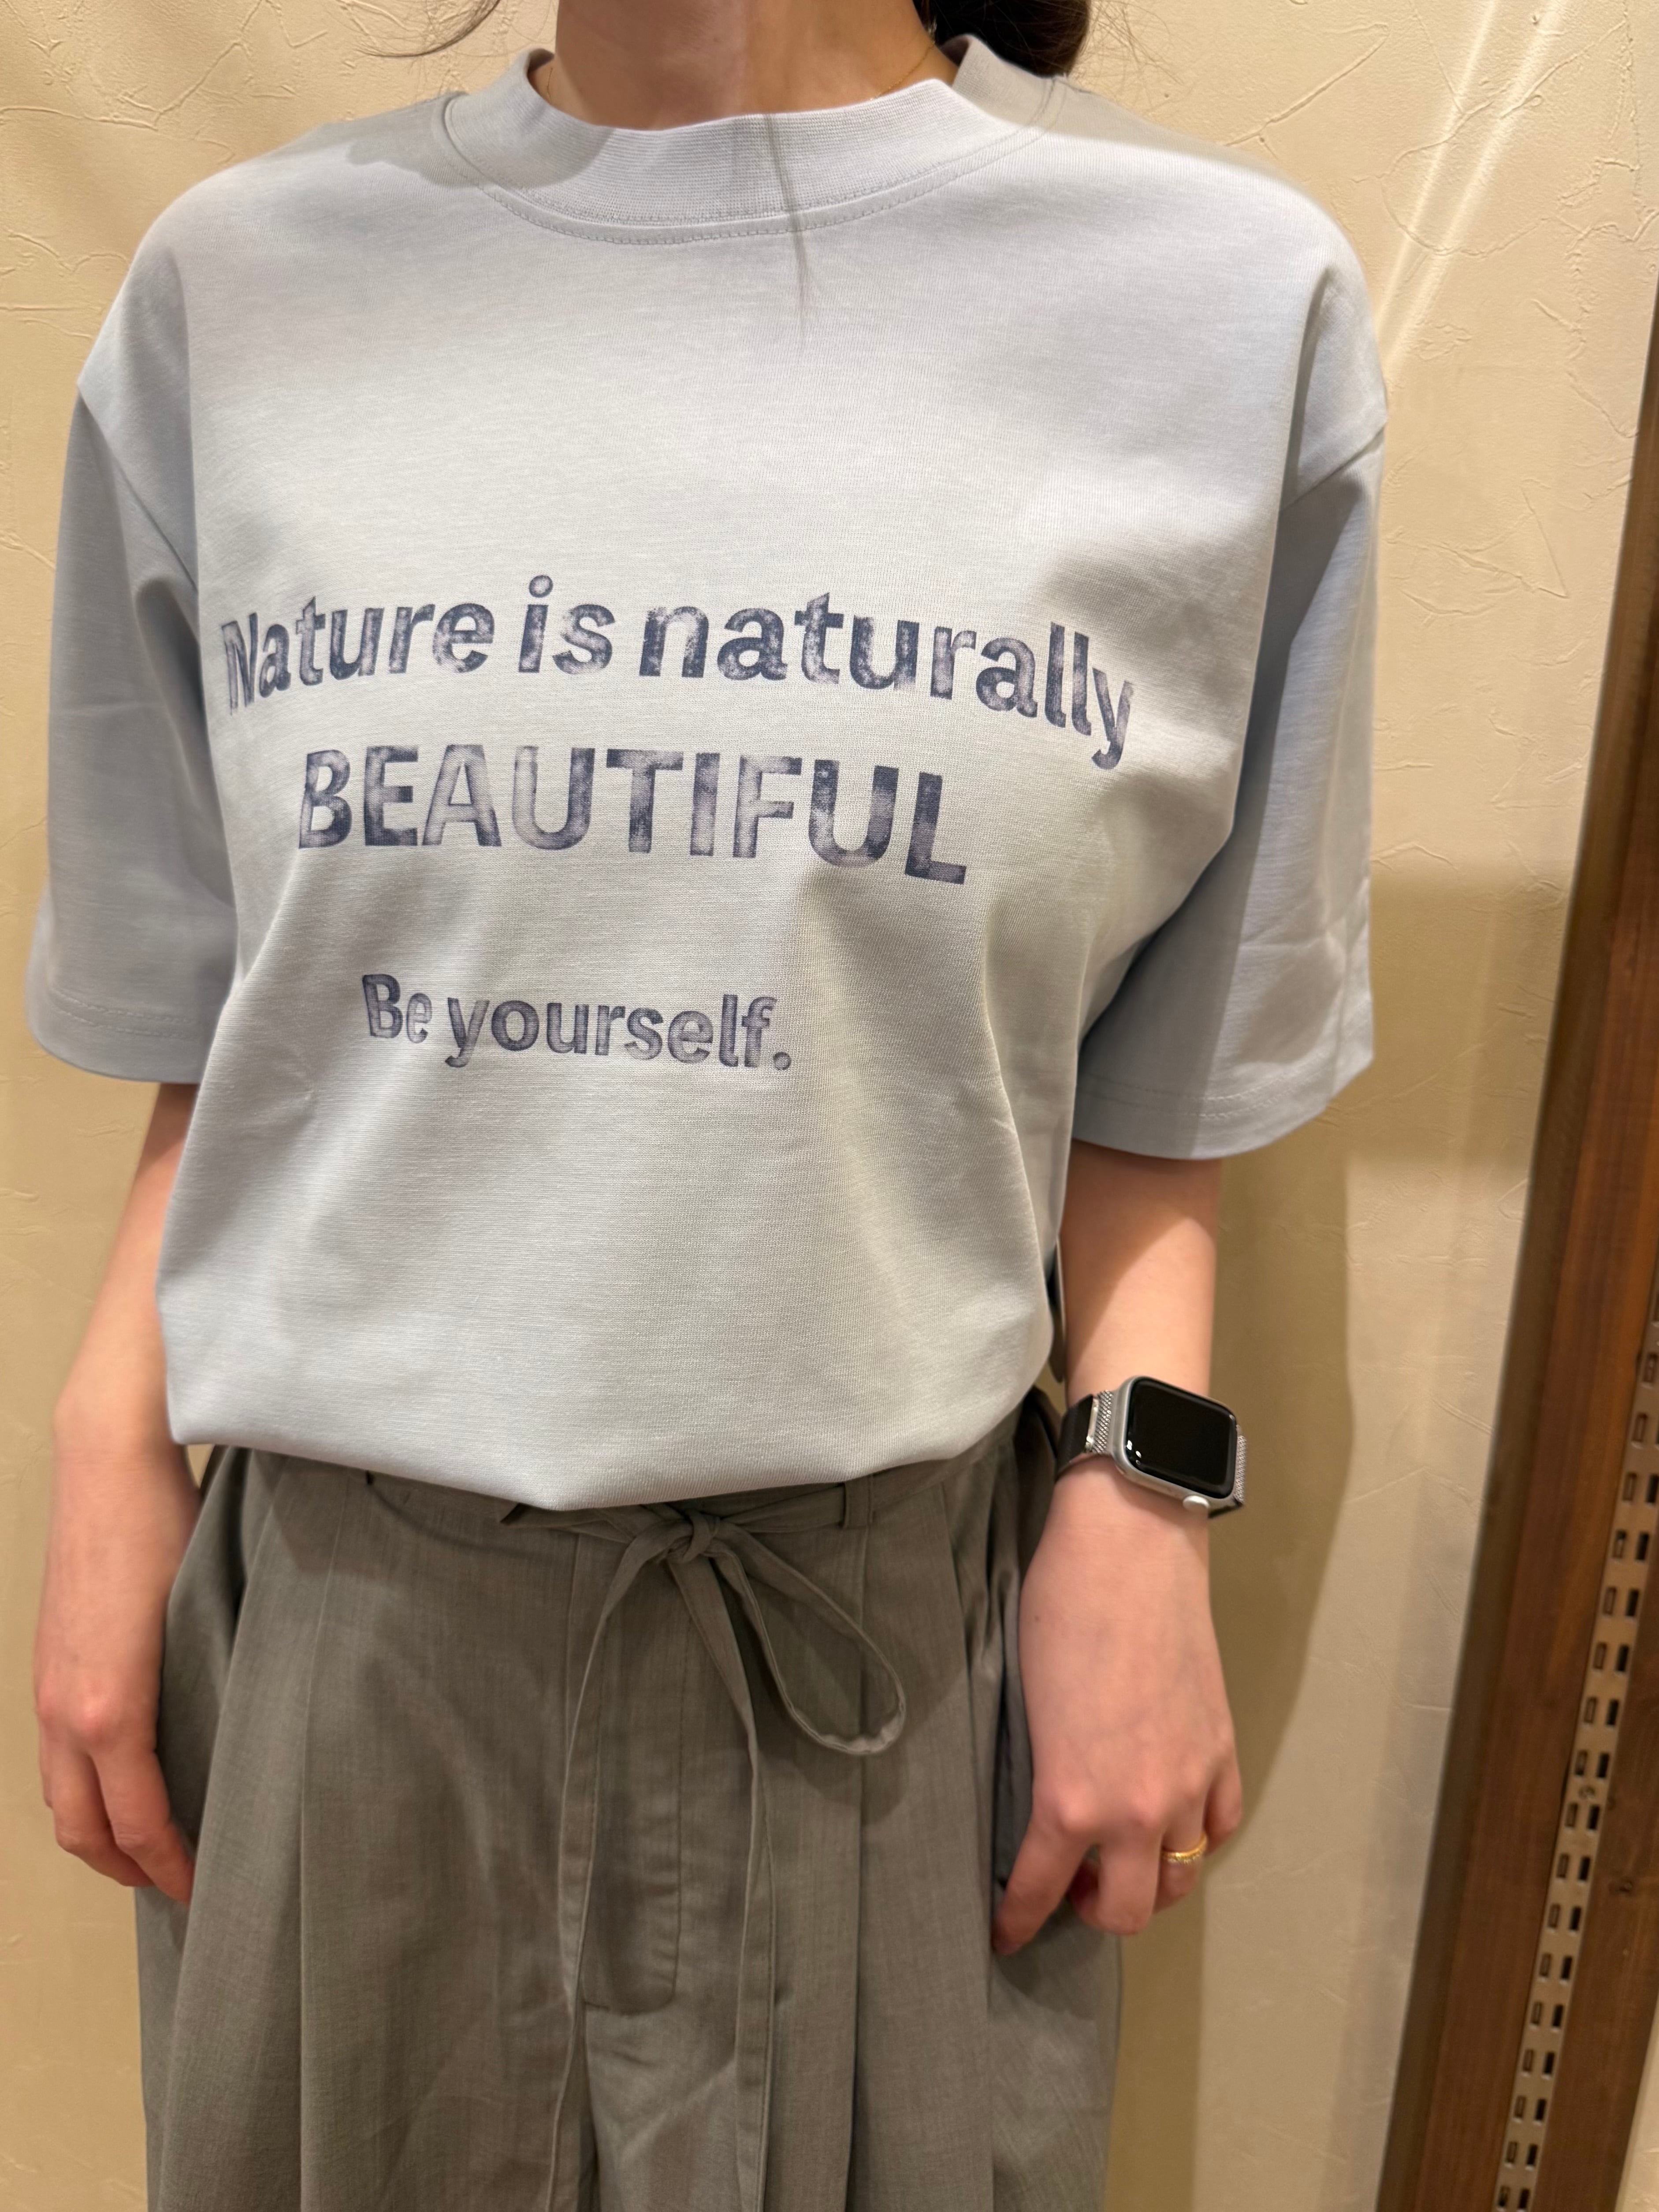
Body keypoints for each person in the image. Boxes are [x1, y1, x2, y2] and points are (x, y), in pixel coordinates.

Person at [26, 0, 1386, 2203]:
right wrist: (106, 1438)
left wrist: (1140, 1503)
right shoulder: (238, 290)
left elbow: (1173, 1059)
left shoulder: (1218, 309)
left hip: (887, 1686)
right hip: (342, 1661)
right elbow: (240, 1005)